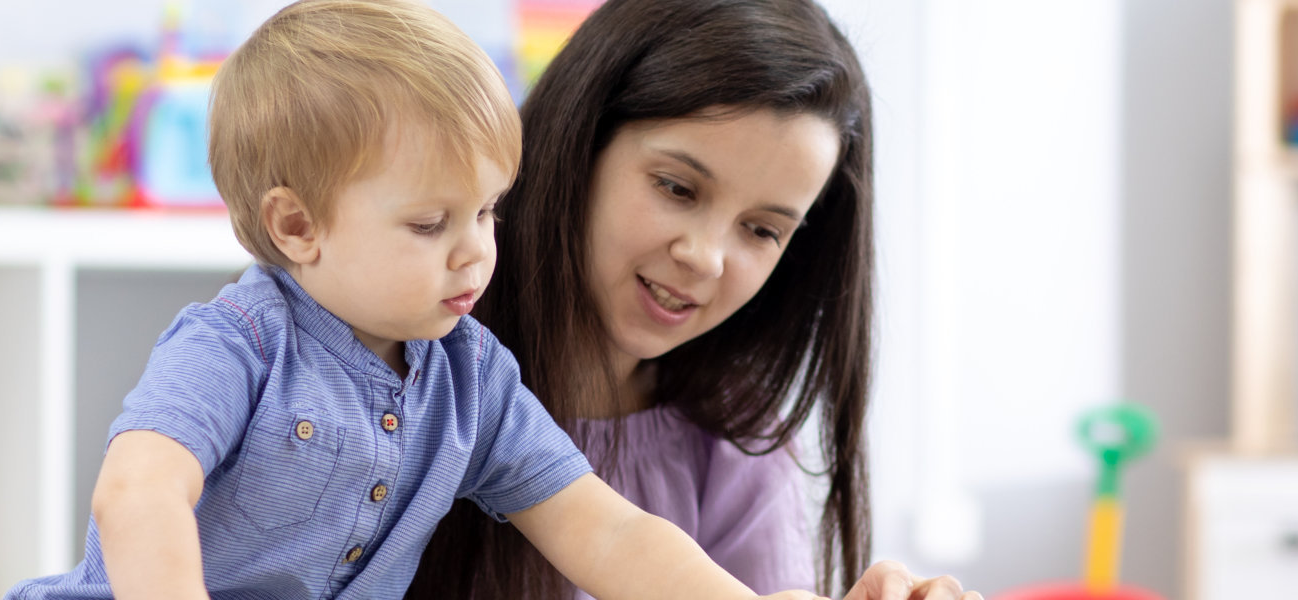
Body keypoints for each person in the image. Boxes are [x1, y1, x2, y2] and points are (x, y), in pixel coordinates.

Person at [6, 1, 829, 598]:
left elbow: (607, 532)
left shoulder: (474, 379)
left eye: (486, 211)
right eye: (432, 222)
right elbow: (139, 491)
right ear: (297, 225)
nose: (476, 249)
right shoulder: (237, 345)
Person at [410, 1, 981, 599]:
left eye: (762, 230)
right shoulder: (406, 369)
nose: (705, 257)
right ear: (580, 140)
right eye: (677, 188)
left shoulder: (733, 439)